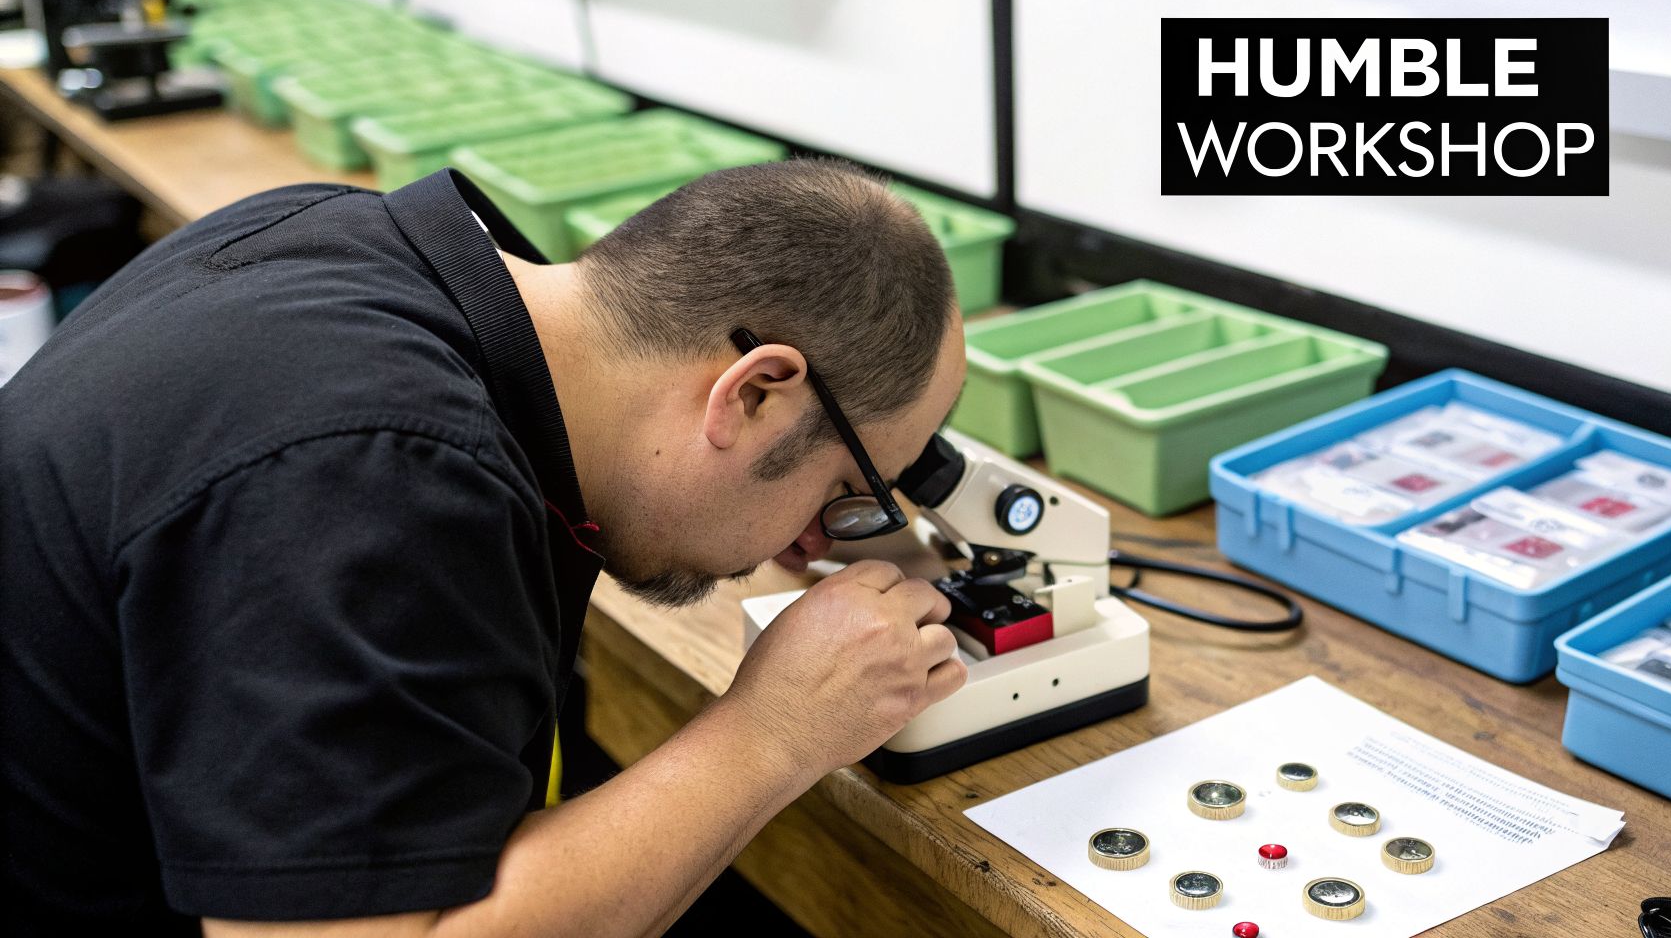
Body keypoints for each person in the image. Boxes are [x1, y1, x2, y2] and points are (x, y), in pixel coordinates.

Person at [1, 157, 970, 936]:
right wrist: (775, 730)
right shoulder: (380, 477)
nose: (810, 546)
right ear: (752, 393)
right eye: (842, 492)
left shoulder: (358, 243)